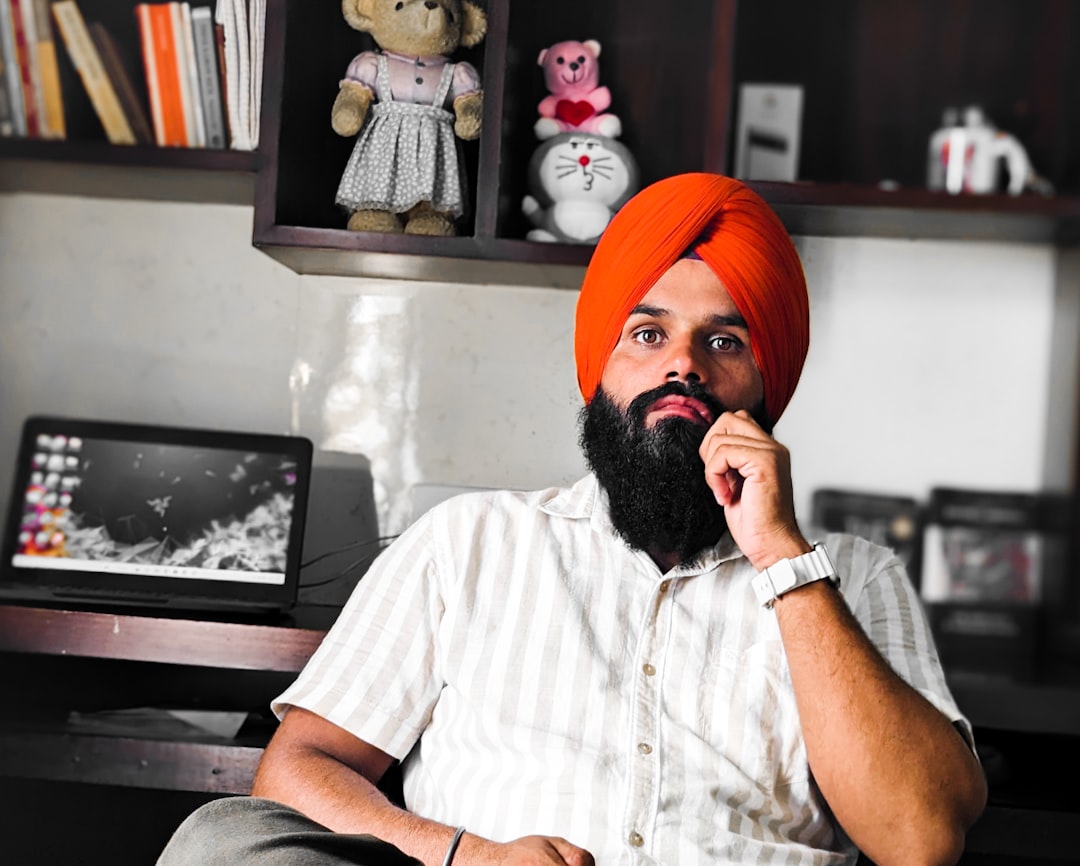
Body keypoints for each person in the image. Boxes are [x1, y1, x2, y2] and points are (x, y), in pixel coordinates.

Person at [157, 173, 987, 866]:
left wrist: (780, 557)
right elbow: (300, 768)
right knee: (222, 841)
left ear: (768, 386)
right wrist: (466, 855)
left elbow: (922, 838)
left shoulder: (854, 578)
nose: (683, 367)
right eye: (647, 332)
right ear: (600, 369)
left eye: (725, 342)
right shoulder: (470, 542)